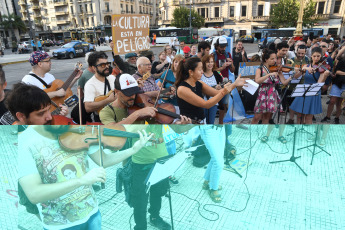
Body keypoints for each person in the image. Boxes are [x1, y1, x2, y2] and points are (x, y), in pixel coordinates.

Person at [18, 124, 152, 230]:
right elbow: (34, 194)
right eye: (43, 113)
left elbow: (104, 160)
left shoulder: (78, 131)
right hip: (59, 224)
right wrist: (81, 180)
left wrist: (133, 150)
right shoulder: (24, 143)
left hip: (92, 213)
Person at [175, 57, 248, 123]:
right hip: (189, 124)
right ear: (191, 72)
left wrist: (234, 84)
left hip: (201, 121)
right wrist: (224, 91)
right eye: (200, 70)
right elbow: (206, 104)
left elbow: (216, 93)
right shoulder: (182, 89)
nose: (202, 72)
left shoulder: (198, 83)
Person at [290, 47, 330, 124]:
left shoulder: (322, 69)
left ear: (321, 56)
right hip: (303, 91)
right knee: (299, 115)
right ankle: (299, 133)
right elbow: (296, 76)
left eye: (318, 56)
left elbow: (319, 84)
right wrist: (304, 68)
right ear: (311, 56)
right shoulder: (307, 65)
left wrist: (325, 76)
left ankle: (308, 134)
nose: (316, 58)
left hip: (313, 92)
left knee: (308, 117)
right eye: (314, 56)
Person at [251, 49, 293, 124]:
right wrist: (268, 75)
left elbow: (284, 82)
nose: (275, 60)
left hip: (272, 94)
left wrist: (291, 77)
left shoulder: (277, 69)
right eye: (272, 59)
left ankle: (265, 135)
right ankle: (251, 134)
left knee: (267, 117)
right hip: (263, 93)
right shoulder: (260, 69)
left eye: (275, 58)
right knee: (257, 117)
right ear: (266, 60)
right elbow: (257, 80)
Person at [83, 51, 116, 120]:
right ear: (94, 68)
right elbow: (88, 107)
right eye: (103, 65)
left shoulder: (112, 78)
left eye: (107, 64)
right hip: (102, 120)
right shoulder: (90, 84)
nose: (107, 67)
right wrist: (107, 100)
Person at [212, 37, 235, 123]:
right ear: (217, 46)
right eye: (221, 47)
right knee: (215, 103)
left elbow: (233, 70)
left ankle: (221, 123)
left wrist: (231, 63)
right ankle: (211, 121)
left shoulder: (227, 54)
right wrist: (223, 67)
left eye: (225, 46)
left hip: (225, 83)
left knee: (224, 104)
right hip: (216, 83)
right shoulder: (213, 55)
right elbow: (212, 70)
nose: (223, 48)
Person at [321, 46, 345, 124]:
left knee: (339, 103)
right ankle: (327, 116)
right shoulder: (342, 61)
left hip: (344, 85)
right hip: (337, 83)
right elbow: (337, 72)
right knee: (332, 101)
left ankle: (337, 118)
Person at [200, 54, 224, 124]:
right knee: (203, 122)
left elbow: (222, 84)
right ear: (204, 63)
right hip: (202, 102)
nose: (210, 64)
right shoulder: (200, 74)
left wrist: (219, 88)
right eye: (208, 62)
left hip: (214, 102)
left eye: (211, 62)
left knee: (211, 122)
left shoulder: (217, 73)